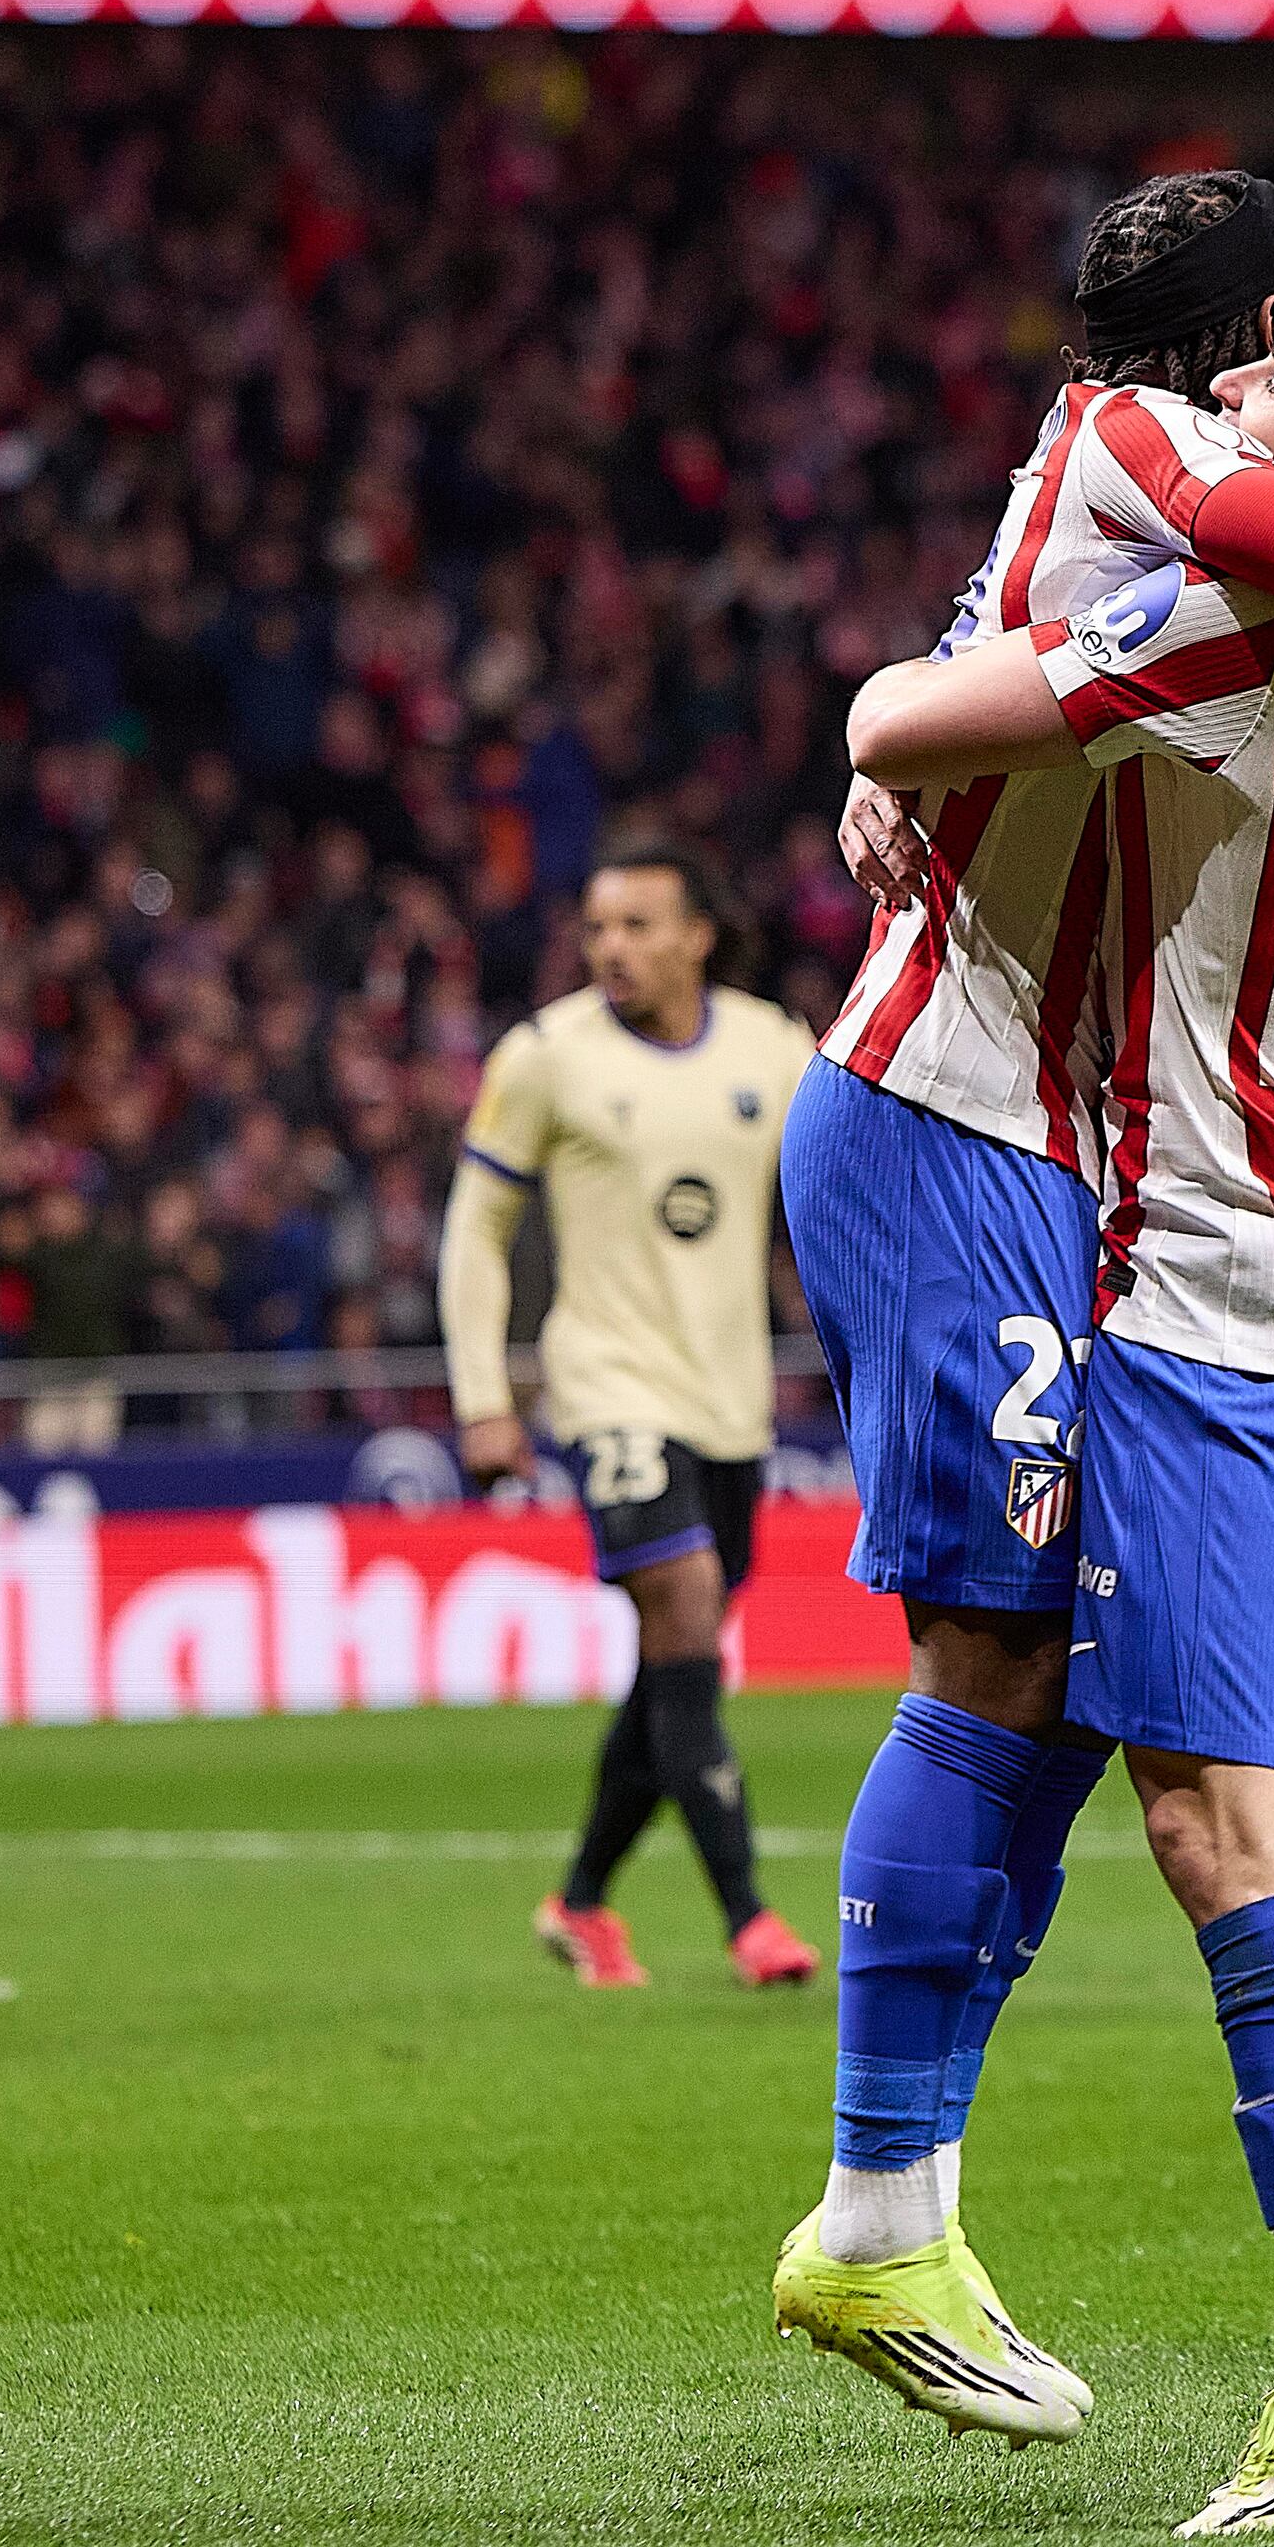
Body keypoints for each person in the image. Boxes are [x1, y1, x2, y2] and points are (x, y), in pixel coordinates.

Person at [765, 172, 1274, 2457]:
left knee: (1093, 1697)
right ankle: (883, 2210)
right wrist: (882, 737)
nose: (1272, 361)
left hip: (1074, 1147)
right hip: (959, 1115)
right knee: (1009, 1664)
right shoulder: (1148, 447)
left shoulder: (1203, 529)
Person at [444, 840, 824, 1993]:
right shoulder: (544, 1055)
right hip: (608, 1384)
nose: (612, 946)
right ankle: (749, 1918)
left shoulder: (774, 1046)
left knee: (676, 1661)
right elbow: (475, 1231)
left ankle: (580, 1901)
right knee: (686, 1606)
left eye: (638, 924)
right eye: (598, 926)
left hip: (729, 1400)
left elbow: (837, 1194)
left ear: (697, 935)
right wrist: (482, 1398)